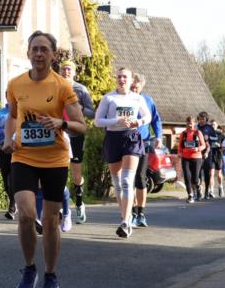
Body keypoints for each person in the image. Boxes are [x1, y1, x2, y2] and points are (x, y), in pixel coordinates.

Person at [2, 32, 84, 288]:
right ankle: (29, 268)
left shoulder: (62, 87)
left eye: (44, 50)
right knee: (26, 215)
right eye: (34, 49)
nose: (38, 54)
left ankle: (50, 275)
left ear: (52, 55)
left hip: (55, 159)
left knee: (50, 221)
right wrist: (7, 138)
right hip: (23, 157)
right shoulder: (16, 84)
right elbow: (12, 117)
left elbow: (81, 126)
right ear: (28, 53)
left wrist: (61, 123)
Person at [95, 67, 151, 238]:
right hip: (113, 138)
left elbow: (147, 116)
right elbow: (98, 121)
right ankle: (124, 215)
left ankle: (126, 222)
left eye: (125, 77)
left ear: (131, 79)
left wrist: (138, 122)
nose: (122, 80)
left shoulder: (137, 98)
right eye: (119, 77)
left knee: (127, 180)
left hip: (131, 138)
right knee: (118, 183)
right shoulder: (109, 98)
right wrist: (116, 120)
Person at [58, 60, 96, 223]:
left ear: (74, 72)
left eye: (69, 69)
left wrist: (80, 108)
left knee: (75, 175)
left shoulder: (81, 89)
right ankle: (60, 206)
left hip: (75, 135)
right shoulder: (55, 87)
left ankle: (79, 202)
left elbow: (91, 113)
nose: (66, 72)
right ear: (60, 71)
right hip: (58, 134)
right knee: (58, 171)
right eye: (64, 69)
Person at [130, 73, 161, 227]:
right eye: (132, 86)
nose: (134, 89)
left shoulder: (148, 101)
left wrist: (159, 136)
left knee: (140, 177)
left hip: (143, 142)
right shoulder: (124, 99)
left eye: (136, 87)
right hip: (126, 142)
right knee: (129, 178)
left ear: (141, 87)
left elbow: (156, 119)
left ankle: (140, 213)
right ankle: (132, 211)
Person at [177, 116, 207, 203]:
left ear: (194, 124)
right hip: (185, 157)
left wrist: (198, 149)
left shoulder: (198, 133)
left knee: (195, 178)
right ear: (186, 123)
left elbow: (204, 145)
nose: (189, 125)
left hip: (196, 157)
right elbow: (179, 147)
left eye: (191, 123)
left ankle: (198, 186)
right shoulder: (183, 134)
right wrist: (179, 153)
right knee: (187, 177)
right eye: (188, 123)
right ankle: (190, 195)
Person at [197, 112, 223, 199]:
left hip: (208, 152)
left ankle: (207, 191)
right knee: (197, 173)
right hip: (197, 153)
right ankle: (198, 190)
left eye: (203, 119)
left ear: (206, 120)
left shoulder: (209, 128)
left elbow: (215, 138)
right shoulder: (196, 127)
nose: (201, 120)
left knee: (207, 173)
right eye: (200, 119)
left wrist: (208, 138)